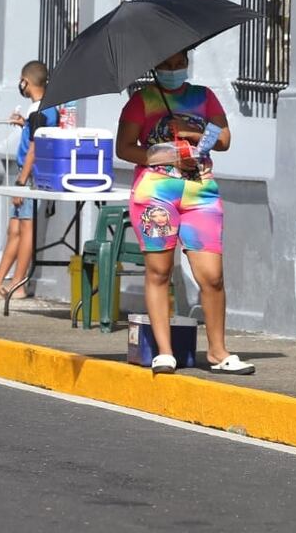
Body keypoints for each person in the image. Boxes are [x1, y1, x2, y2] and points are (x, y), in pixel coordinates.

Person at [116, 50, 254, 376]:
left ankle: (218, 352)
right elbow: (124, 148)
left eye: (180, 63)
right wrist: (167, 155)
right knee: (159, 271)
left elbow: (223, 139)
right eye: (166, 63)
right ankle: (164, 352)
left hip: (200, 194)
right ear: (154, 65)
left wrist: (191, 131)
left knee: (212, 276)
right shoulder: (142, 101)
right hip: (156, 196)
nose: (174, 69)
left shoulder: (202, 97)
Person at [0, 61, 58, 300]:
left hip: (30, 176)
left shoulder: (41, 110)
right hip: (28, 173)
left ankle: (18, 284)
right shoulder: (40, 111)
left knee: (26, 227)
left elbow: (33, 149)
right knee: (14, 229)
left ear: (25, 82)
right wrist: (24, 124)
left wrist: (21, 183)